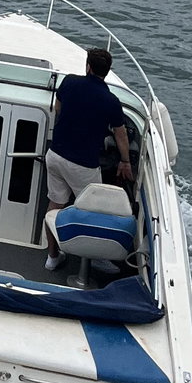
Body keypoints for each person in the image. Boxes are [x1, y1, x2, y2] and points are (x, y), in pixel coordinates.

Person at [43, 47, 132, 271]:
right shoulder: (111, 101)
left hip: (55, 156)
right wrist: (125, 161)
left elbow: (58, 109)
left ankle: (52, 257)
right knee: (94, 212)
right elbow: (120, 134)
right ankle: (95, 258)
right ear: (107, 72)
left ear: (88, 66)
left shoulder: (69, 82)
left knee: (54, 206)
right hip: (83, 165)